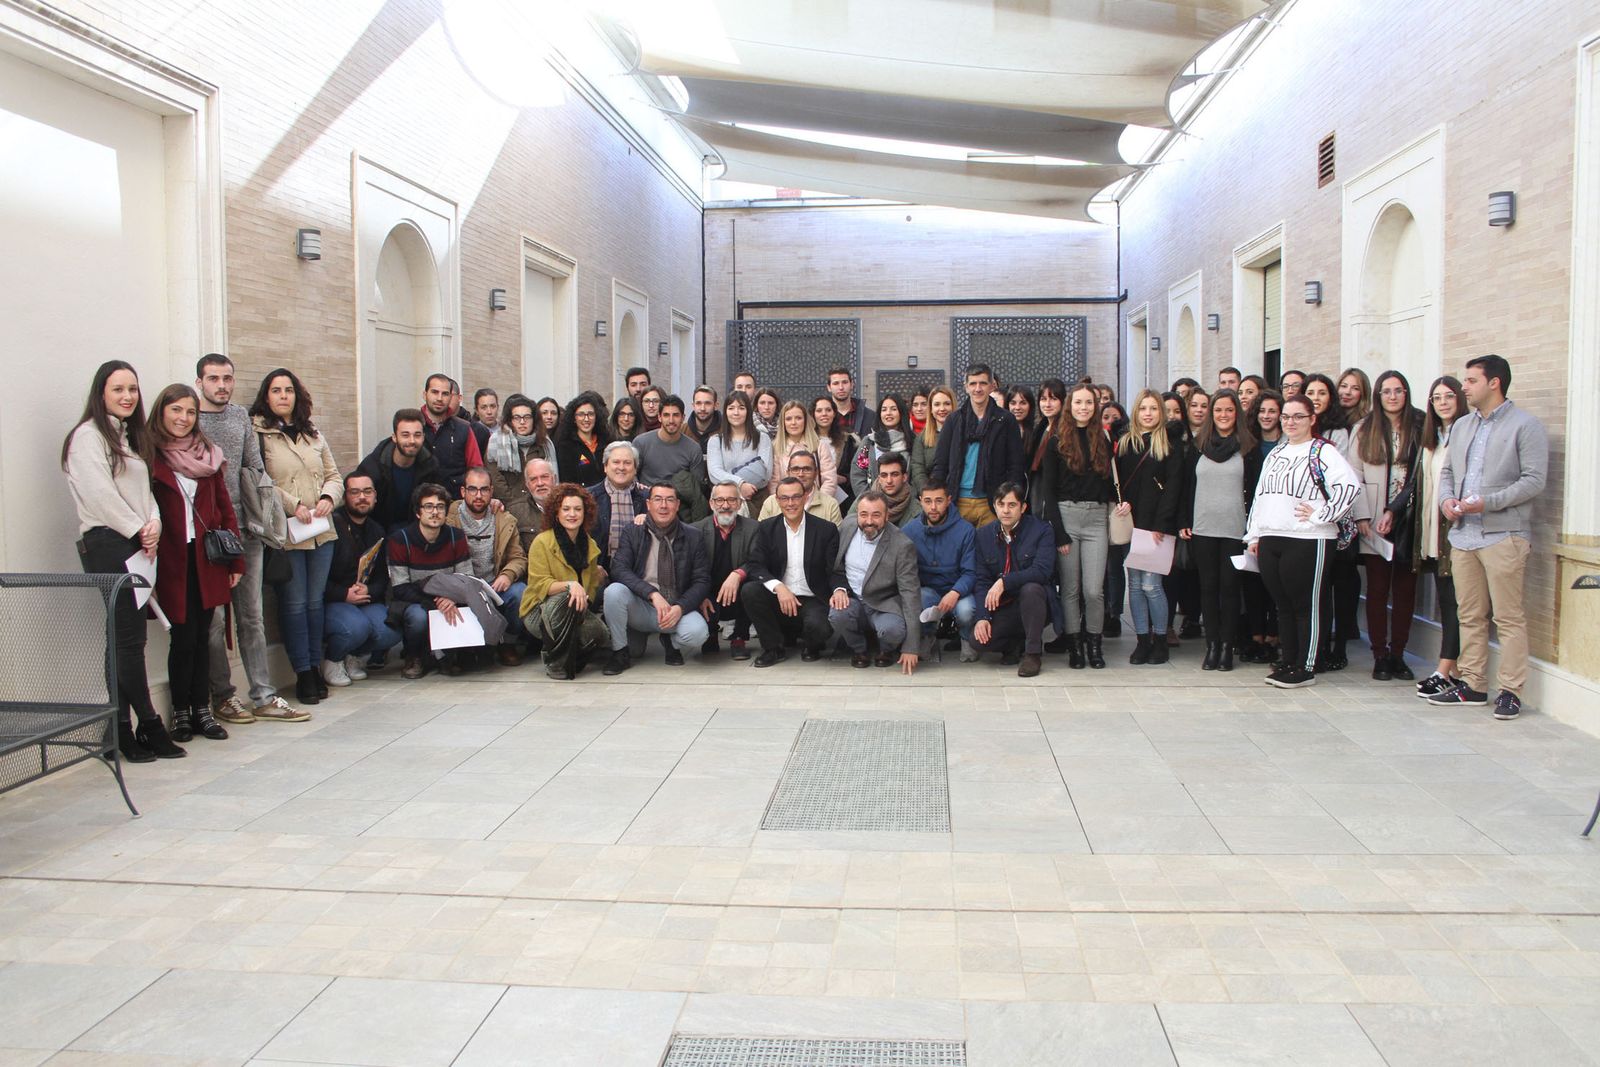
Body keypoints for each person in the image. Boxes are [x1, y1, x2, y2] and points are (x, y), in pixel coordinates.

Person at [64, 362, 184, 761]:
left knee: (123, 639)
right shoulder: (87, 437)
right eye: (118, 389)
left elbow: (144, 492)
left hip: (135, 543)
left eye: (132, 388)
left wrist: (153, 524)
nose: (128, 396)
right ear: (101, 393)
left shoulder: (130, 438)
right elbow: (99, 495)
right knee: (129, 640)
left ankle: (117, 732)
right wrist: (138, 529)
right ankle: (150, 724)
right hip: (107, 543)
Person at [1432, 354, 1548, 719]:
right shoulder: (1462, 426)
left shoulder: (1526, 425)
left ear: (1494, 383)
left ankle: (1511, 691)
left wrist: (1488, 503)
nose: (1463, 387)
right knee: (1470, 615)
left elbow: (1534, 481)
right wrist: (1446, 501)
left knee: (1508, 617)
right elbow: (1447, 472)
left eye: (1471, 381)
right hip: (1463, 536)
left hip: (1504, 536)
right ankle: (1474, 684)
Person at [195, 354, 303, 726]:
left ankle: (263, 695)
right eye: (213, 379)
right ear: (200, 383)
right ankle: (224, 696)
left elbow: (254, 469)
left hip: (247, 531)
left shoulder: (240, 417)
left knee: (252, 617)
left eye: (227, 378)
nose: (221, 385)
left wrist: (264, 518)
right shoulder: (189, 417)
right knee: (214, 621)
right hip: (209, 537)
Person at [145, 383, 244, 745]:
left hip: (207, 558)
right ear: (162, 412)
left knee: (204, 636)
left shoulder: (208, 455)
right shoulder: (149, 457)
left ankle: (203, 711)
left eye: (190, 412)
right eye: (176, 410)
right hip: (171, 559)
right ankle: (181, 713)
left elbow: (225, 508)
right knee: (182, 637)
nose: (183, 418)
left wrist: (236, 561)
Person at [1245, 394, 1361, 689]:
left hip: (1308, 538)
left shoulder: (1323, 451)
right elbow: (1261, 496)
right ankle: (1289, 660)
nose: (1290, 422)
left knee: (1305, 605)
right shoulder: (1276, 453)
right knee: (1282, 604)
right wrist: (1255, 534)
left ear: (1312, 419)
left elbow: (1349, 487)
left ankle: (1306, 666)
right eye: (1286, 416)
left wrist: (1322, 514)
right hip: (1272, 536)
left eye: (1298, 416)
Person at [252, 368, 342, 706]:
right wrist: (294, 505)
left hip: (320, 531)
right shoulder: (259, 434)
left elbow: (334, 475)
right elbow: (259, 480)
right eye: (276, 390)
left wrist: (328, 498)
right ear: (266, 396)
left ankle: (315, 667)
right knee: (294, 604)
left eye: (288, 390)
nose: (283, 396)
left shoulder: (312, 432)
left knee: (315, 602)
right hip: (287, 531)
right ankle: (302, 671)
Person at [1178, 389, 1260, 672]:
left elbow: (1257, 492)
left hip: (1235, 531)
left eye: (1229, 410)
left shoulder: (1248, 448)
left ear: (1237, 413)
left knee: (1230, 590)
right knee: (1208, 589)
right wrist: (1184, 520)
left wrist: (1255, 529)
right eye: (1218, 410)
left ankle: (1227, 647)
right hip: (1203, 529)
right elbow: (1187, 486)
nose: (1223, 415)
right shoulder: (1198, 446)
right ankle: (1211, 646)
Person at [1350, 371, 1423, 681]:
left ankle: (1398, 654)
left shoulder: (1420, 425)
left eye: (1399, 390)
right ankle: (1379, 654)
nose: (1393, 397)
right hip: (1374, 522)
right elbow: (1354, 475)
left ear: (1406, 394)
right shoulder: (1364, 428)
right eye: (1386, 391)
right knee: (1378, 590)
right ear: (1378, 395)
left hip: (1409, 518)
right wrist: (1362, 516)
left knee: (1406, 591)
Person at [601, 483, 711, 673]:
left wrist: (681, 607)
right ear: (648, 504)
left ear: (677, 505)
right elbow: (619, 569)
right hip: (641, 604)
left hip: (674, 606)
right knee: (614, 592)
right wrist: (652, 593)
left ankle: (671, 642)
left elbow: (702, 580)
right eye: (658, 499)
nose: (663, 505)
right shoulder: (633, 531)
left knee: (698, 633)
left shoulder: (693, 536)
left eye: (670, 500)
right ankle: (620, 652)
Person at [1039, 383, 1112, 669]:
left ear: (1096, 406)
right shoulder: (1056, 441)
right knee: (1070, 589)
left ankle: (1095, 644)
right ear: (1070, 406)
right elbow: (1048, 491)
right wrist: (1059, 532)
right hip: (1067, 516)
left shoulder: (1103, 439)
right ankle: (1074, 647)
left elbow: (1109, 483)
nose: (1083, 407)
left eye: (1089, 403)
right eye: (1078, 402)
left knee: (1093, 590)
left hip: (1096, 518)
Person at [740, 476, 841, 666]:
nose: (790, 503)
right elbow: (755, 564)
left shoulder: (826, 530)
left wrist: (839, 590)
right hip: (779, 598)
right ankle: (773, 648)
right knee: (750, 590)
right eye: (785, 498)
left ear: (805, 497)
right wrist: (779, 587)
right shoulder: (766, 528)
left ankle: (811, 644)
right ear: (777, 501)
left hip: (812, 599)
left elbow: (834, 569)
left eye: (796, 497)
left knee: (819, 629)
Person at [1410, 376, 1467, 699]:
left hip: (1457, 530)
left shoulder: (1465, 434)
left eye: (1449, 396)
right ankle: (1453, 670)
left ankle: (1445, 669)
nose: (1443, 403)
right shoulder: (1432, 438)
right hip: (1432, 530)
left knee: (1455, 601)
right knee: (1447, 600)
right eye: (1436, 398)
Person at [1116, 389, 1182, 665]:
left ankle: (1160, 639)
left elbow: (1174, 487)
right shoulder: (1126, 443)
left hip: (1157, 527)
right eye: (1143, 408)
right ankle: (1142, 640)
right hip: (1132, 524)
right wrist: (1122, 504)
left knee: (1152, 585)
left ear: (1161, 413)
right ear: (1136, 412)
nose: (1148, 413)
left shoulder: (1169, 444)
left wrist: (1162, 523)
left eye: (1153, 408)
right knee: (1134, 585)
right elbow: (1118, 483)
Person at [520, 483, 609, 679]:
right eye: (566, 509)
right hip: (539, 610)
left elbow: (591, 586)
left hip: (576, 608)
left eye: (578, 509)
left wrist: (584, 598)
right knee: (567, 597)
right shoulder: (542, 541)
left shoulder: (590, 544)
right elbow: (539, 584)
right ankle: (555, 662)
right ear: (556, 513)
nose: (572, 514)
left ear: (585, 513)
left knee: (601, 634)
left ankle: (573, 656)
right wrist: (570, 585)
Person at [322, 470, 401, 687]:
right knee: (356, 628)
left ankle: (353, 655)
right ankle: (333, 659)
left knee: (390, 631)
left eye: (367, 491)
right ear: (345, 496)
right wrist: (343, 594)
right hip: (333, 601)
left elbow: (382, 577)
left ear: (375, 496)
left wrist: (369, 591)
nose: (362, 497)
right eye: (355, 492)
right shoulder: (332, 527)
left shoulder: (376, 530)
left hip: (364, 599)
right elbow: (318, 578)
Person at [829, 491, 923, 672]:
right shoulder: (847, 527)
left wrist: (911, 647)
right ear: (857, 514)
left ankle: (886, 649)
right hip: (853, 600)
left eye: (876, 515)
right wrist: (839, 589)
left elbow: (910, 594)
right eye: (864, 514)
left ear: (887, 516)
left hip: (883, 605)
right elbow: (836, 568)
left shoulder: (902, 545)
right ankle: (859, 649)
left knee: (893, 630)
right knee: (837, 614)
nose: (869, 521)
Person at [388, 482, 472, 678]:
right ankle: (414, 656)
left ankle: (448, 656)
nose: (435, 512)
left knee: (463, 609)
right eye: (428, 506)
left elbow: (466, 578)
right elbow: (400, 587)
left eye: (440, 507)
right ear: (418, 512)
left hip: (450, 599)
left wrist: (451, 598)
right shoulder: (400, 540)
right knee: (418, 618)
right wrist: (436, 601)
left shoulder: (457, 537)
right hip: (415, 600)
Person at [971, 483, 1055, 677]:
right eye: (1001, 505)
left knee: (1031, 589)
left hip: (1037, 603)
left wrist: (1004, 582)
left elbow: (1042, 571)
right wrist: (982, 617)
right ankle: (1015, 643)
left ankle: (1033, 653)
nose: (1006, 510)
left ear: (1023, 507)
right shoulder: (983, 535)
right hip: (1007, 606)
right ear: (994, 506)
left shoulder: (1042, 530)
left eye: (1012, 505)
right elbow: (982, 580)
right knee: (978, 641)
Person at [448, 467, 529, 666]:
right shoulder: (449, 519)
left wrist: (508, 574)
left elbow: (518, 557)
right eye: (473, 489)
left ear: (492, 491)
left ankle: (506, 643)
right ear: (463, 491)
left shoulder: (504, 520)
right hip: (462, 586)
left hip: (494, 584)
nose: (478, 495)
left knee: (520, 593)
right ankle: (464, 649)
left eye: (484, 489)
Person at [930, 364, 1023, 528]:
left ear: (992, 386)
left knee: (990, 545)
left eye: (983, 383)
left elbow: (1015, 465)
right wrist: (937, 498)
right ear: (966, 387)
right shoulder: (954, 420)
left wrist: (1009, 499)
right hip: (958, 500)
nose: (978, 389)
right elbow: (941, 464)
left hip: (992, 502)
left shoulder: (1006, 420)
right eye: (973, 384)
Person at [902, 482, 978, 661]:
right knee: (919, 599)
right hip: (928, 589)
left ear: (949, 500)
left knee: (967, 610)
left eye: (939, 501)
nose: (933, 507)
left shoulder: (966, 530)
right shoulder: (909, 531)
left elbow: (970, 572)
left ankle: (966, 637)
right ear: (920, 501)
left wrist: (955, 592)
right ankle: (927, 636)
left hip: (958, 590)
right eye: (928, 501)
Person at [1241, 389, 1284, 662]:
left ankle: (1274, 635)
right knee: (1252, 580)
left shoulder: (1288, 445)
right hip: (1251, 521)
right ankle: (1255, 636)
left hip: (1279, 522)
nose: (1267, 416)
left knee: (1274, 582)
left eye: (1272, 411)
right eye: (1262, 411)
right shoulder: (1249, 445)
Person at [694, 480, 759, 658]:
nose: (725, 505)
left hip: (740, 591)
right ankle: (710, 634)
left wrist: (738, 574)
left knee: (753, 587)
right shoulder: (696, 530)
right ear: (711, 503)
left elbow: (757, 560)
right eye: (720, 500)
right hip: (709, 591)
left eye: (731, 500)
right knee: (696, 587)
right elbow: (692, 570)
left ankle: (739, 638)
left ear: (739, 503)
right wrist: (701, 594)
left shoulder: (753, 528)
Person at [355, 409, 440, 531]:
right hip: (380, 533)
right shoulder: (371, 469)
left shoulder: (431, 466)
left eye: (417, 435)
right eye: (405, 435)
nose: (412, 441)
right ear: (394, 437)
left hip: (417, 533)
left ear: (423, 437)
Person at [486, 394, 556, 510]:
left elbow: (551, 478)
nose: (522, 422)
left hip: (540, 507)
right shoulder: (496, 443)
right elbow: (496, 480)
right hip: (507, 507)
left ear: (534, 419)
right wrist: (515, 505)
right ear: (510, 420)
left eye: (527, 417)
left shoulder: (545, 444)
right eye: (517, 417)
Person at [420, 372, 484, 498]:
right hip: (420, 503)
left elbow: (476, 469)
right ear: (424, 394)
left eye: (445, 394)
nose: (439, 398)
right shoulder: (413, 426)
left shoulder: (464, 428)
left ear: (451, 397)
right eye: (435, 392)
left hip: (455, 502)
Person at [588, 440, 649, 573]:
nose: (621, 467)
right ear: (605, 466)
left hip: (639, 573)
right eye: (616, 462)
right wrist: (592, 569)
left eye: (627, 463)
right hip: (598, 573)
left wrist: (651, 521)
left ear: (635, 468)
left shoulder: (649, 498)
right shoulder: (588, 498)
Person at [706, 392, 772, 511]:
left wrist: (732, 482)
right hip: (724, 504)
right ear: (725, 412)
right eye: (731, 408)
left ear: (748, 411)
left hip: (756, 501)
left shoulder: (762, 438)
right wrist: (740, 484)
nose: (736, 413)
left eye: (741, 408)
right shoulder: (716, 441)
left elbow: (764, 473)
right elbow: (715, 473)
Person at [1100, 399, 1131, 638]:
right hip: (1100, 506)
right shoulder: (1097, 440)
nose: (1110, 421)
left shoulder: (1127, 443)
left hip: (1119, 508)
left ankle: (1114, 613)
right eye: (1106, 417)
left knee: (1115, 565)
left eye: (1115, 417)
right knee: (1103, 567)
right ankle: (1102, 611)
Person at [770, 400, 838, 502]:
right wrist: (783, 503)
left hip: (816, 503)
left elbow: (830, 479)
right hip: (786, 504)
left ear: (805, 420)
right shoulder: (775, 448)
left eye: (798, 418)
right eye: (788, 419)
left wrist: (818, 503)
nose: (793, 423)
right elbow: (773, 482)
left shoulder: (819, 446)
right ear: (783, 423)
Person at [756, 449, 843, 523]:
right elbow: (761, 534)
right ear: (788, 472)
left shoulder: (830, 505)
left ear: (816, 473)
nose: (801, 474)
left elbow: (835, 536)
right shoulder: (771, 503)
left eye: (807, 469)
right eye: (796, 469)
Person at [850, 395, 912, 498]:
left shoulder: (912, 442)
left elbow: (917, 475)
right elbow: (857, 472)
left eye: (893, 409)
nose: (888, 413)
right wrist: (868, 498)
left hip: (906, 500)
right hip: (872, 501)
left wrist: (906, 498)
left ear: (901, 412)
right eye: (884, 410)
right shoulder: (869, 442)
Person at [555, 391, 611, 490]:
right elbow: (567, 482)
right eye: (581, 414)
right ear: (574, 418)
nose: (586, 419)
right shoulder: (566, 446)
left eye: (590, 414)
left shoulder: (606, 442)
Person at [849, 451, 921, 527]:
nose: (889, 481)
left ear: (904, 477)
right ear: (879, 479)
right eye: (884, 475)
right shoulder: (861, 502)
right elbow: (848, 527)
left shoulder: (916, 510)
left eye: (894, 475)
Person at [910, 386, 956, 497]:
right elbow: (918, 469)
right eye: (937, 404)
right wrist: (928, 493)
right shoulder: (922, 438)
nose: (942, 409)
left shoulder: (963, 433)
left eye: (947, 404)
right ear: (931, 409)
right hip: (931, 496)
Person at [814, 394, 858, 508]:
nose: (824, 414)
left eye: (828, 410)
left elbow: (856, 470)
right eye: (819, 410)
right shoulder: (807, 440)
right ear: (813, 414)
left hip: (842, 499)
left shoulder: (848, 439)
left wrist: (844, 479)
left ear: (834, 413)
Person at [508, 457, 555, 553]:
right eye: (533, 479)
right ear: (527, 485)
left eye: (544, 477)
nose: (540, 483)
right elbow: (516, 553)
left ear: (554, 479)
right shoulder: (515, 512)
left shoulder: (569, 506)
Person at [828, 366, 871, 436]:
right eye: (836, 383)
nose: (841, 387)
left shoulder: (869, 416)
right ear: (829, 387)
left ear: (851, 385)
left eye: (845, 382)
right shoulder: (820, 416)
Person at [1006, 386, 1039, 453]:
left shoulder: (1037, 431)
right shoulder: (999, 429)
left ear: (1030, 406)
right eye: (1013, 403)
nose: (1017, 407)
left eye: (1023, 403)